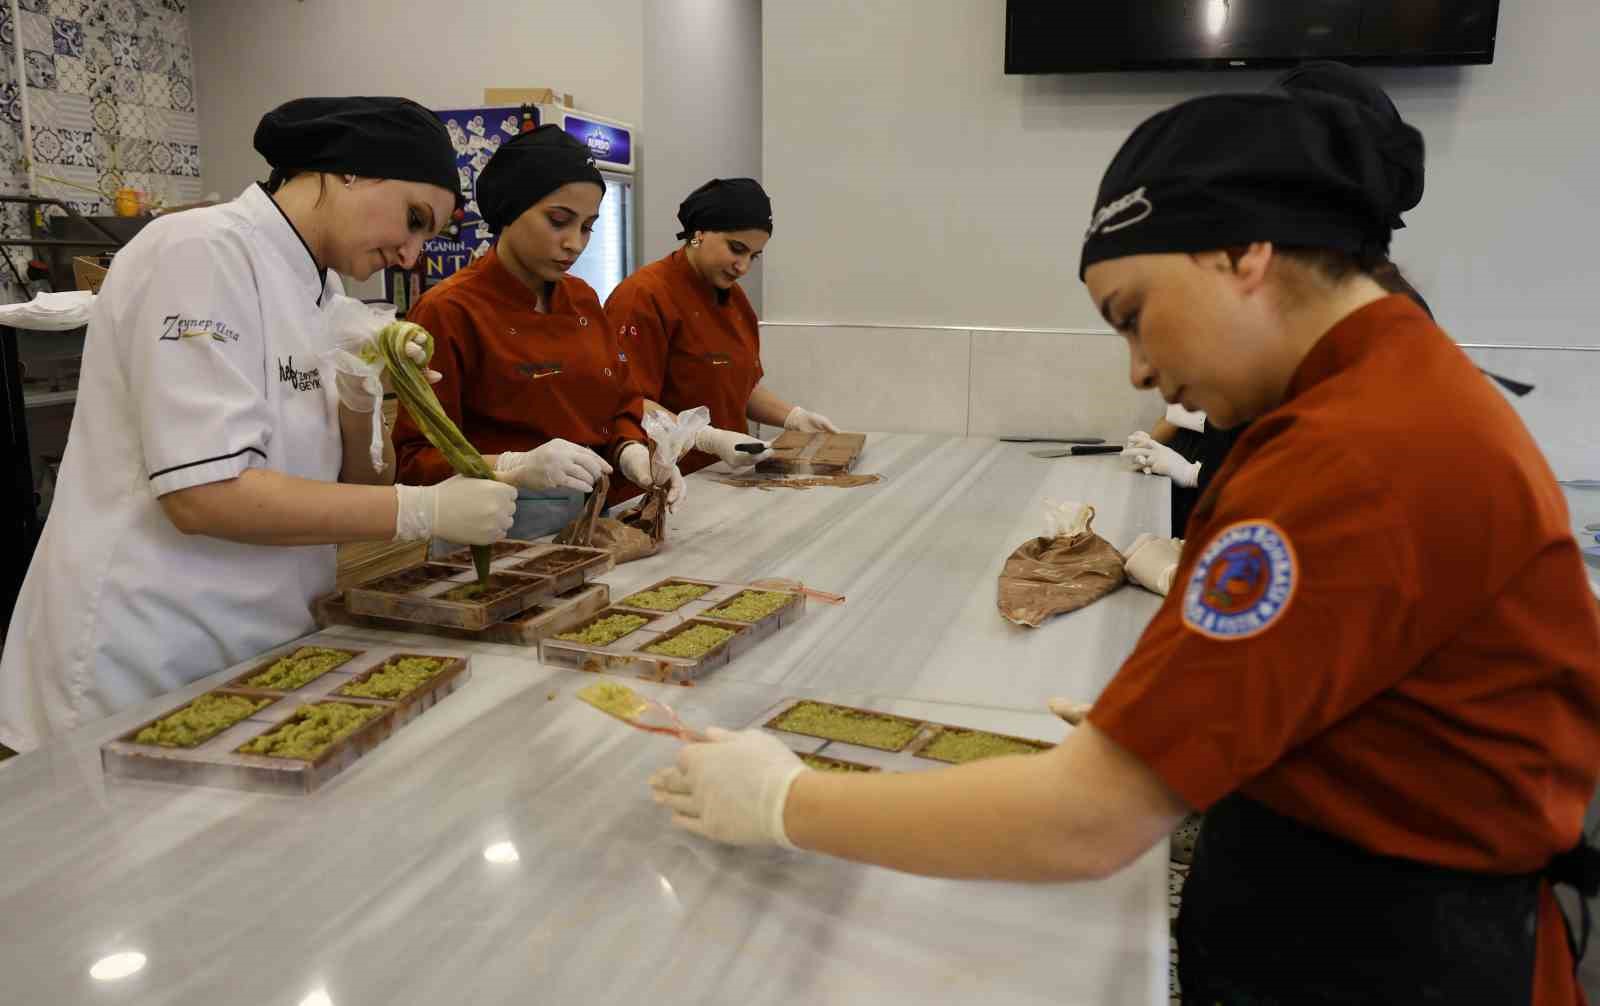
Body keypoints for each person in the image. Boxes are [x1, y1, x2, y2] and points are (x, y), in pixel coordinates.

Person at [646, 81, 1600, 1004]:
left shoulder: (1354, 452)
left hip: (1388, 954)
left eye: (1134, 316)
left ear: (1241, 254)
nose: (1141, 371)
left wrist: (786, 802)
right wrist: (1180, 711)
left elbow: (1086, 823)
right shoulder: (1391, 391)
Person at [0, 97, 518, 754]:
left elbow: (352, 487)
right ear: (352, 170)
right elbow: (204, 495)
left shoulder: (322, 292)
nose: (412, 254)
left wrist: (362, 397)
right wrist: (424, 511)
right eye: (415, 219)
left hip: (256, 647)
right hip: (142, 653)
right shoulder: (201, 252)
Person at [393, 125, 682, 538]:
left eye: (587, 227)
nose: (574, 243)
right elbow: (414, 461)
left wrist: (630, 450)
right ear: (509, 210)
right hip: (492, 536)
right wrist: (512, 465)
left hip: (594, 523)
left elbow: (619, 402)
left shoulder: (582, 299)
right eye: (559, 221)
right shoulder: (450, 310)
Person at [604, 178, 838, 478]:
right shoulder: (643, 297)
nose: (743, 267)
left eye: (753, 256)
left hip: (725, 475)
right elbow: (626, 402)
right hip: (662, 479)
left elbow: (737, 387)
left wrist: (793, 417)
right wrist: (708, 438)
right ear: (699, 233)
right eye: (736, 249)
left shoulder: (734, 300)